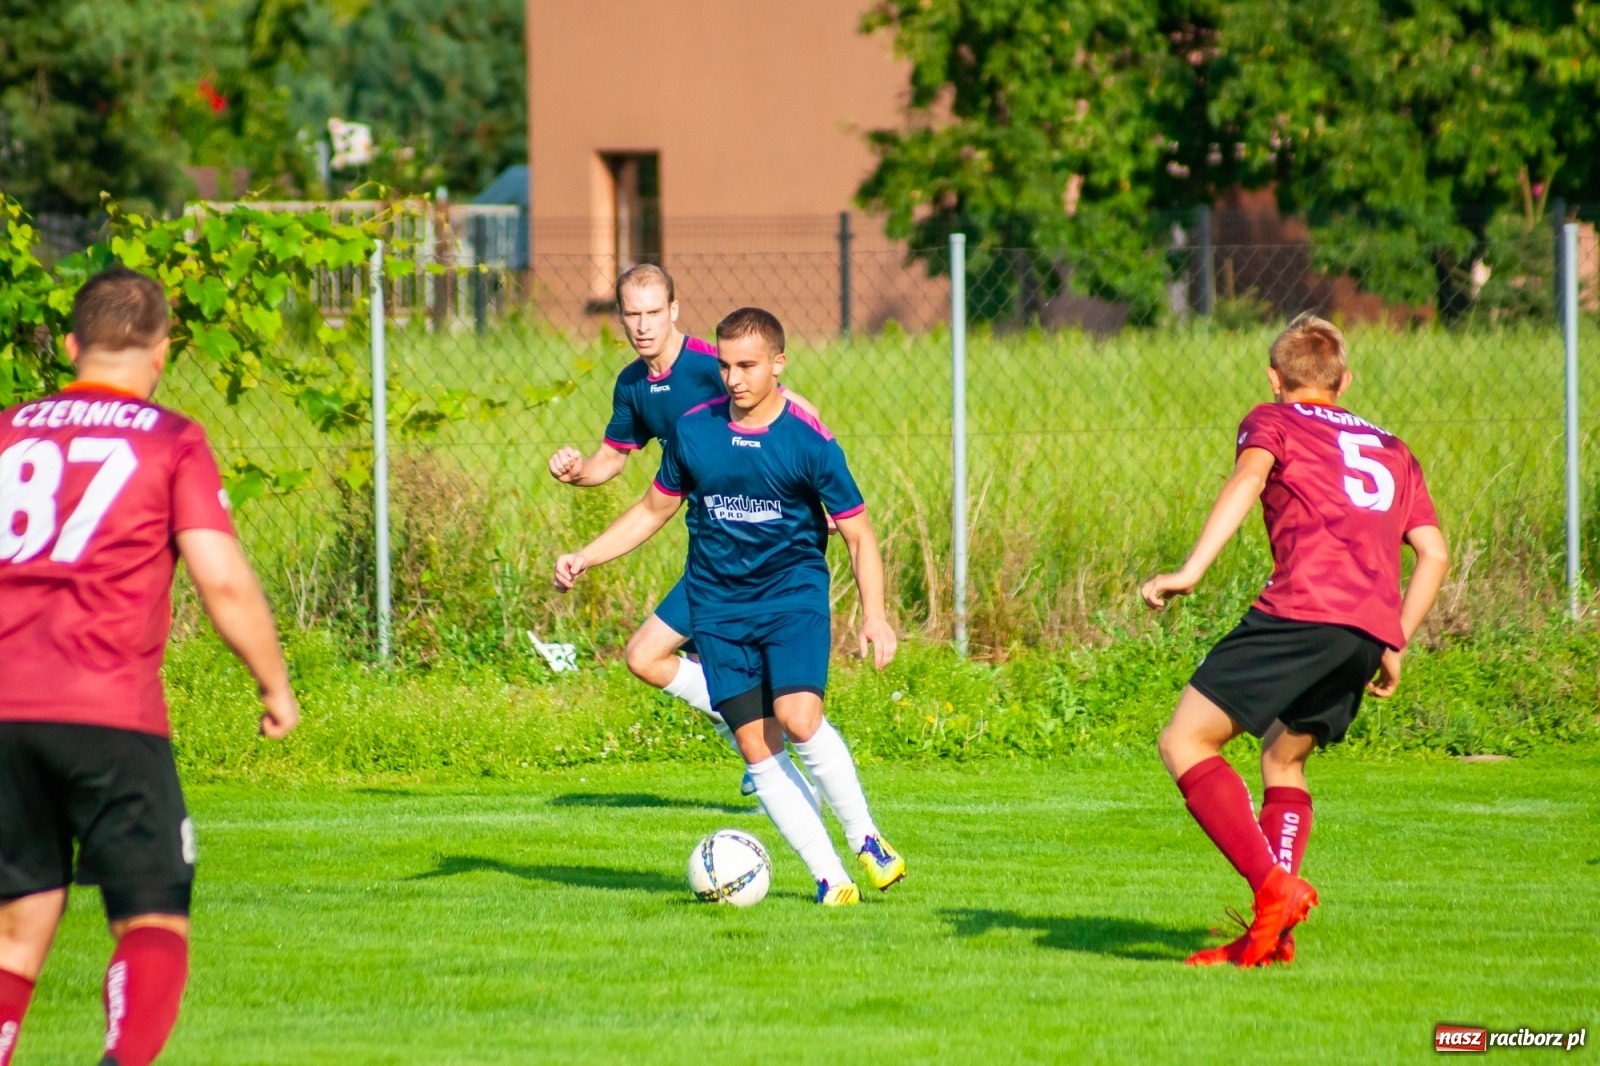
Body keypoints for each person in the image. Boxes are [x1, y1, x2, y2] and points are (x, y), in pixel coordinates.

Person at [0, 268, 299, 1066]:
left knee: (17, 925)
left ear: (69, 346)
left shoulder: (6, 430)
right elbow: (223, 578)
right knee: (152, 918)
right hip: (106, 714)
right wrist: (274, 684)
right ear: (163, 351)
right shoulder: (168, 438)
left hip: (3, 714)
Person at [555, 307, 904, 905]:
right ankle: (831, 878)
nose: (734, 377)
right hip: (717, 604)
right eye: (724, 364)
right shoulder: (695, 430)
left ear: (778, 364)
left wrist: (874, 613)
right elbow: (651, 510)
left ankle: (865, 837)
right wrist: (587, 555)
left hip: (790, 596)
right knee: (757, 746)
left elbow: (859, 534)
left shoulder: (808, 441)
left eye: (747, 365)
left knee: (797, 718)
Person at [1141, 313, 1447, 968]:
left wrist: (1189, 571)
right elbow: (1435, 554)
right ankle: (1270, 937)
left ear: (1274, 379)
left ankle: (1272, 889)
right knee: (1284, 760)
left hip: (1303, 610)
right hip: (1365, 629)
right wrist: (1395, 641)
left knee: (1185, 741)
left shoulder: (1273, 419)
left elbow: (1249, 480)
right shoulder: (1393, 448)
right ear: (1345, 381)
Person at [547, 264, 822, 797]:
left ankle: (778, 759)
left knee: (786, 698)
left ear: (673, 310)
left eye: (654, 312)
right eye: (633, 314)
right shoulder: (632, 385)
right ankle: (741, 724)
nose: (643, 325)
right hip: (715, 556)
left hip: (768, 554)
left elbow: (797, 411)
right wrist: (577, 469)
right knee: (644, 656)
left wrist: (826, 503)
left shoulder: (708, 366)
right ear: (621, 317)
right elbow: (613, 459)